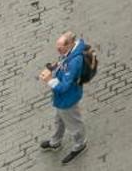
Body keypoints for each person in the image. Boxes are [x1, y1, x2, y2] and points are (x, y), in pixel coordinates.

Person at [38, 31, 89, 163]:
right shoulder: (69, 53)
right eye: (57, 46)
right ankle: (55, 141)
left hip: (68, 99)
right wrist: (53, 68)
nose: (58, 50)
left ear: (70, 45)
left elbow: (64, 87)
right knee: (59, 120)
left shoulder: (75, 62)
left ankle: (80, 144)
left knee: (74, 124)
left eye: (61, 47)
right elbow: (61, 62)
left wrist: (50, 80)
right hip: (61, 99)